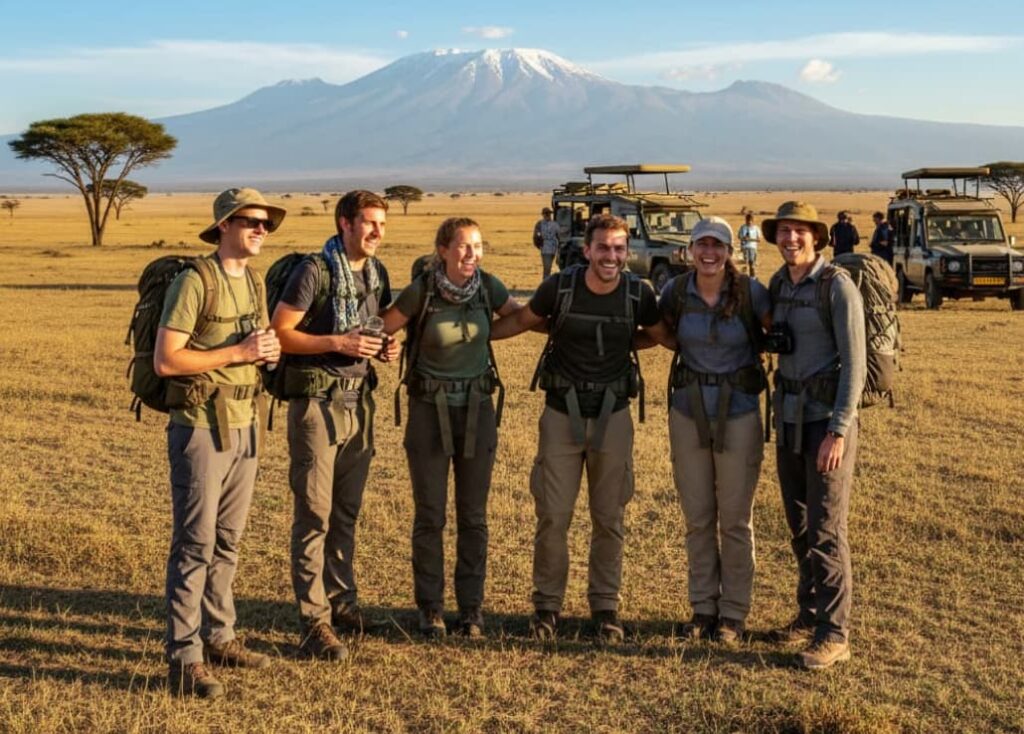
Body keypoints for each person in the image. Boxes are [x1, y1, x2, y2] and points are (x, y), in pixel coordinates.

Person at [491, 213, 672, 644]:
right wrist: (469, 337)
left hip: (614, 415)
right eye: (603, 248)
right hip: (561, 412)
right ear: (587, 250)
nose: (611, 256)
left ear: (627, 253)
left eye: (618, 248)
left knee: (610, 518)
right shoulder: (560, 287)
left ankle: (606, 607)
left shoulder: (638, 293)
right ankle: (547, 607)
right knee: (553, 515)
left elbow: (661, 335)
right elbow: (522, 321)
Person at [155, 187, 285, 699]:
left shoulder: (253, 281)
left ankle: (219, 636)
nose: (260, 230)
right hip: (201, 427)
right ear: (224, 225)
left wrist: (264, 353)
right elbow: (168, 360)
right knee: (195, 542)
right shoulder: (194, 281)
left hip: (245, 422)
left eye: (266, 223)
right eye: (251, 221)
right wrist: (240, 350)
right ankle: (184, 657)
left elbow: (252, 350)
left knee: (228, 540)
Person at [270, 190, 399, 661]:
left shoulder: (376, 272)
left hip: (357, 400)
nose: (377, 232)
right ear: (344, 223)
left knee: (346, 510)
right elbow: (280, 333)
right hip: (316, 401)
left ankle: (343, 602)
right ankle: (314, 622)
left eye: (382, 224)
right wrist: (337, 342)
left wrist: (383, 348)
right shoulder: (314, 271)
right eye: (368, 223)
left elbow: (378, 325)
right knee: (314, 513)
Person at [381, 218, 521, 638]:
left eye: (477, 246)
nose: (471, 255)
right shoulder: (421, 290)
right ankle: (431, 608)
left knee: (474, 517)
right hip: (428, 410)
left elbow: (520, 318)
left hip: (477, 409)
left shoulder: (487, 286)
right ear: (442, 249)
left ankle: (472, 609)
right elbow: (381, 328)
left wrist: (484, 338)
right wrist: (386, 346)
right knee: (430, 515)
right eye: (462, 247)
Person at [762, 201, 866, 670]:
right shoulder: (779, 285)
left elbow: (855, 365)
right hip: (788, 421)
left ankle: (835, 632)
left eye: (800, 231)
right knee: (799, 526)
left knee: (827, 529)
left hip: (827, 423)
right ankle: (808, 613)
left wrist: (839, 431)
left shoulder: (837, 287)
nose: (791, 239)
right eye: (784, 231)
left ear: (817, 237)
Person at [657, 216, 770, 646]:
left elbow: (775, 333)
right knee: (698, 516)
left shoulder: (750, 293)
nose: (709, 252)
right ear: (689, 250)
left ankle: (734, 615)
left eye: (717, 244)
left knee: (736, 520)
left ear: (730, 251)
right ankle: (703, 609)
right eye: (701, 244)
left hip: (739, 411)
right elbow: (660, 331)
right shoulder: (676, 291)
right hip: (688, 412)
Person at [533, 207, 561, 278]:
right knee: (547, 268)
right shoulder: (540, 224)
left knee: (549, 266)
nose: (548, 215)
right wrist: (539, 245)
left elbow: (559, 236)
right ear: (543, 215)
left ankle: (546, 281)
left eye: (549, 214)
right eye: (546, 214)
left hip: (553, 248)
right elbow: (536, 236)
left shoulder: (554, 224)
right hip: (545, 248)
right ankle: (545, 282)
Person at [737, 213, 762, 277]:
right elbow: (739, 236)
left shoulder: (756, 228)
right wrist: (743, 239)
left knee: (752, 264)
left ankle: (752, 277)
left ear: (752, 221)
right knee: (745, 264)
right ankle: (744, 278)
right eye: (747, 221)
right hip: (745, 247)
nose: (748, 222)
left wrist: (750, 239)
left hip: (753, 247)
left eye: (750, 221)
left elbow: (759, 240)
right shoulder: (742, 227)